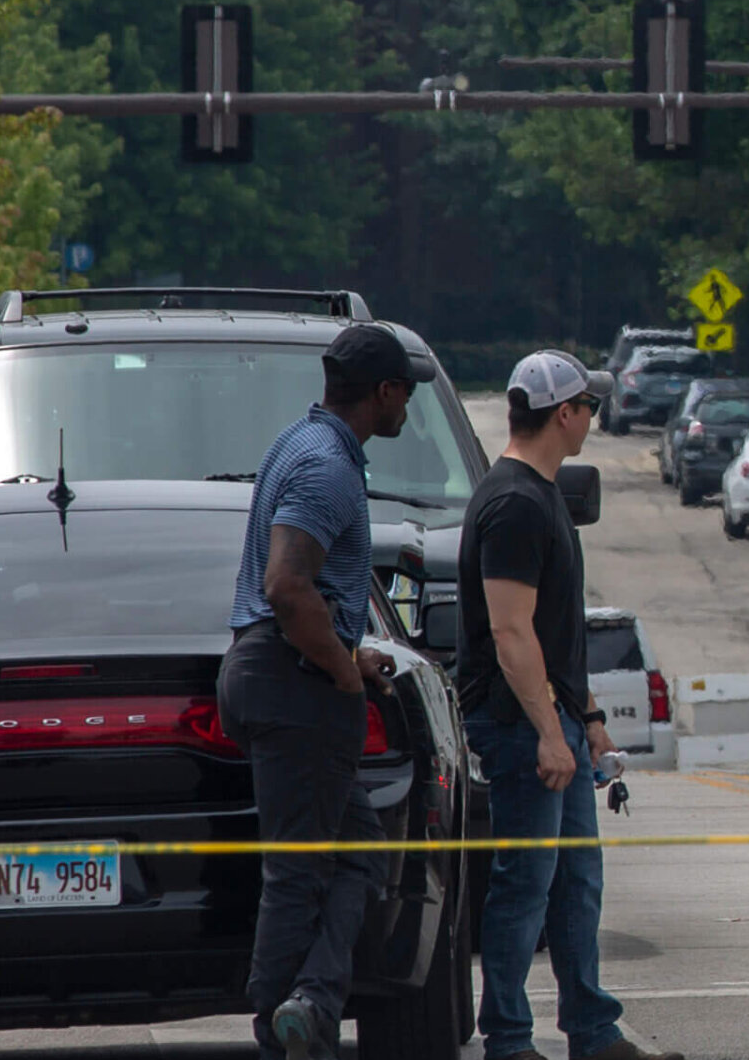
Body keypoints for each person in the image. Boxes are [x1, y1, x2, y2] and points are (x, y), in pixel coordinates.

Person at [218, 323, 434, 1060]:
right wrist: (342, 671)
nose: (408, 405)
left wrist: (351, 653)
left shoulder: (296, 443)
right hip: (294, 687)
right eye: (405, 391)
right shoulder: (326, 468)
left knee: (359, 857)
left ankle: (309, 1004)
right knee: (298, 873)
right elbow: (286, 585)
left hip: (284, 675)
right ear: (383, 393)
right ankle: (281, 1030)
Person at [458, 350, 682, 1060]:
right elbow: (510, 631)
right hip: (519, 725)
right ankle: (508, 1040)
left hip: (552, 722)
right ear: (565, 414)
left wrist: (586, 721)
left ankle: (591, 1032)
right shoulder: (516, 503)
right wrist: (549, 735)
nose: (596, 416)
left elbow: (554, 639)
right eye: (590, 405)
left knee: (577, 881)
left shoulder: (543, 493)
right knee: (524, 886)